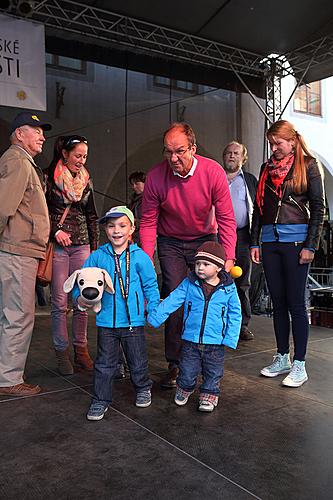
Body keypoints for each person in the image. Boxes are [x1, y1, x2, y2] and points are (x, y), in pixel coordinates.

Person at [140, 122, 237, 389]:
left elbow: (227, 218)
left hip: (204, 241)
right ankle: (176, 364)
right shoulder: (156, 177)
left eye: (180, 151)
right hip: (170, 242)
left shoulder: (213, 172)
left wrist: (228, 256)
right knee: (176, 298)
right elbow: (148, 221)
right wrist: (147, 258)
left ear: (192, 148)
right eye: (168, 152)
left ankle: (205, 363)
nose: (173, 158)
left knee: (205, 299)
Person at [250, 120, 325, 387]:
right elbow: (258, 209)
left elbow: (318, 208)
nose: (273, 148)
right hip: (270, 241)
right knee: (278, 304)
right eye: (271, 143)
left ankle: (300, 364)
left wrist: (311, 246)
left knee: (296, 303)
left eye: (277, 143)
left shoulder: (309, 165)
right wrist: (254, 242)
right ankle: (282, 356)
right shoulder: (265, 169)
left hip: (297, 244)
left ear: (292, 141)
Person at [71, 206, 160, 421]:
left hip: (133, 321)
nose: (116, 231)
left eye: (122, 225)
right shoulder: (97, 256)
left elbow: (150, 284)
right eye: (111, 226)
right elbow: (80, 281)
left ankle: (143, 387)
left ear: (132, 229)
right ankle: (100, 400)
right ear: (105, 230)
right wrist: (79, 299)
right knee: (104, 364)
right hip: (106, 322)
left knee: (137, 360)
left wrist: (153, 307)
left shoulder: (140, 257)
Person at [148, 241, 241, 412]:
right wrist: (156, 316)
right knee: (187, 370)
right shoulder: (189, 284)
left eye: (206, 264)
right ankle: (184, 388)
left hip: (216, 342)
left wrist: (231, 336)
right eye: (198, 263)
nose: (200, 268)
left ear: (218, 267)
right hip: (191, 339)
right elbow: (173, 299)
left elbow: (235, 314)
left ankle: (209, 395)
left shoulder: (228, 289)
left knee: (213, 372)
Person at [0, 111, 51, 396]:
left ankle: (5, 374)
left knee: (11, 314)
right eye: (36, 130)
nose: (42, 135)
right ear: (20, 133)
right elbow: (3, 207)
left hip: (19, 249)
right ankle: (8, 380)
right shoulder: (18, 161)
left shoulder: (20, 160)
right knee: (19, 315)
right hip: (16, 250)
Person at [45, 135, 99, 375]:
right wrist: (55, 230)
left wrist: (95, 249)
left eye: (85, 156)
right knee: (59, 302)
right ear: (65, 154)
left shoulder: (86, 181)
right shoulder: (48, 178)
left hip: (82, 245)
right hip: (58, 246)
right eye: (78, 155)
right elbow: (41, 212)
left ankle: (81, 350)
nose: (81, 160)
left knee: (82, 301)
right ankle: (61, 353)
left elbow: (92, 216)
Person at [222, 141, 257, 341]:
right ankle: (219, 324)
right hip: (218, 237)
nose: (232, 156)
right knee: (216, 280)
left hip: (242, 236)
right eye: (228, 152)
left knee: (242, 282)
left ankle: (242, 325)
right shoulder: (214, 177)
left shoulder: (250, 181)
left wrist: (255, 241)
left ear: (243, 158)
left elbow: (258, 212)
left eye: (236, 153)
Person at [128, 171, 146, 244]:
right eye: (132, 184)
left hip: (146, 237)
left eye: (137, 184)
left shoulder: (151, 200)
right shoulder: (133, 201)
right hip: (135, 237)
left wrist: (135, 221)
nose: (134, 187)